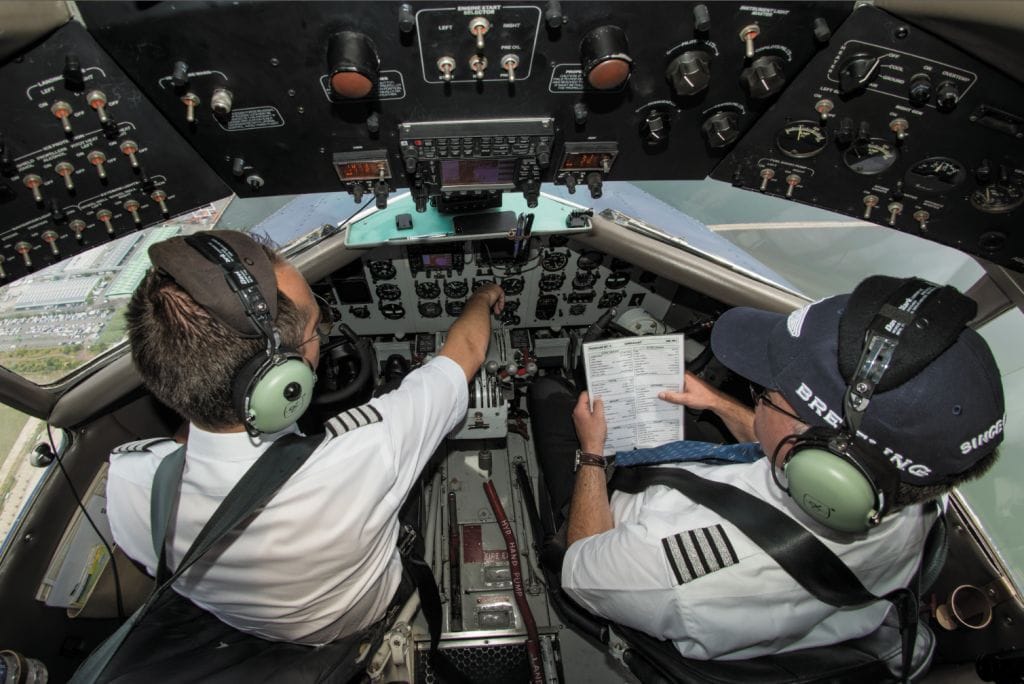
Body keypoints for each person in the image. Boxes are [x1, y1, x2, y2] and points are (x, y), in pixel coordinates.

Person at [541, 275, 1005, 660]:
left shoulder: (675, 574)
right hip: (716, 494)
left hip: (612, 532)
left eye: (765, 392)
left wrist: (593, 452)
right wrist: (718, 403)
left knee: (550, 399)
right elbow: (784, 444)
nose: (757, 394)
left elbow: (583, 568)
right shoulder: (914, 494)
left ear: (824, 460)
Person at [106, 229, 504, 645]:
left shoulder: (130, 483)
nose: (321, 341)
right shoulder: (365, 449)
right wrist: (482, 295)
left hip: (260, 635)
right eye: (316, 330)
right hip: (370, 614)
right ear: (283, 381)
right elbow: (467, 349)